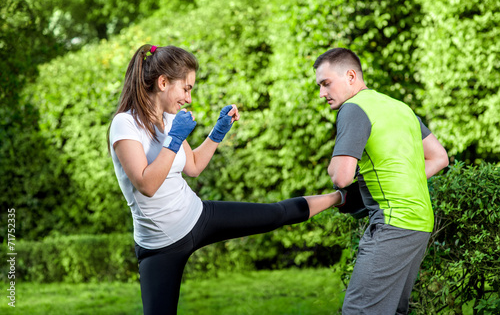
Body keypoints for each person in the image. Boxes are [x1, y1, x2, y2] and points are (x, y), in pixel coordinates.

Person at [107, 44, 345, 314]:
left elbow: (194, 166)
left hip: (197, 216)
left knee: (275, 215)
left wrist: (218, 132)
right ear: (163, 82)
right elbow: (146, 184)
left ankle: (343, 196)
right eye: (186, 88)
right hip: (159, 246)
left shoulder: (169, 119)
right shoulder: (125, 125)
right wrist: (173, 140)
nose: (188, 98)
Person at [313, 48, 449, 315]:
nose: (321, 93)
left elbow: (341, 176)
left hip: (393, 224)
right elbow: (439, 157)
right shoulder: (399, 107)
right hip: (419, 223)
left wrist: (333, 166)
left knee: (359, 311)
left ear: (351, 76)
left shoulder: (353, 108)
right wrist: (397, 177)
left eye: (326, 83)